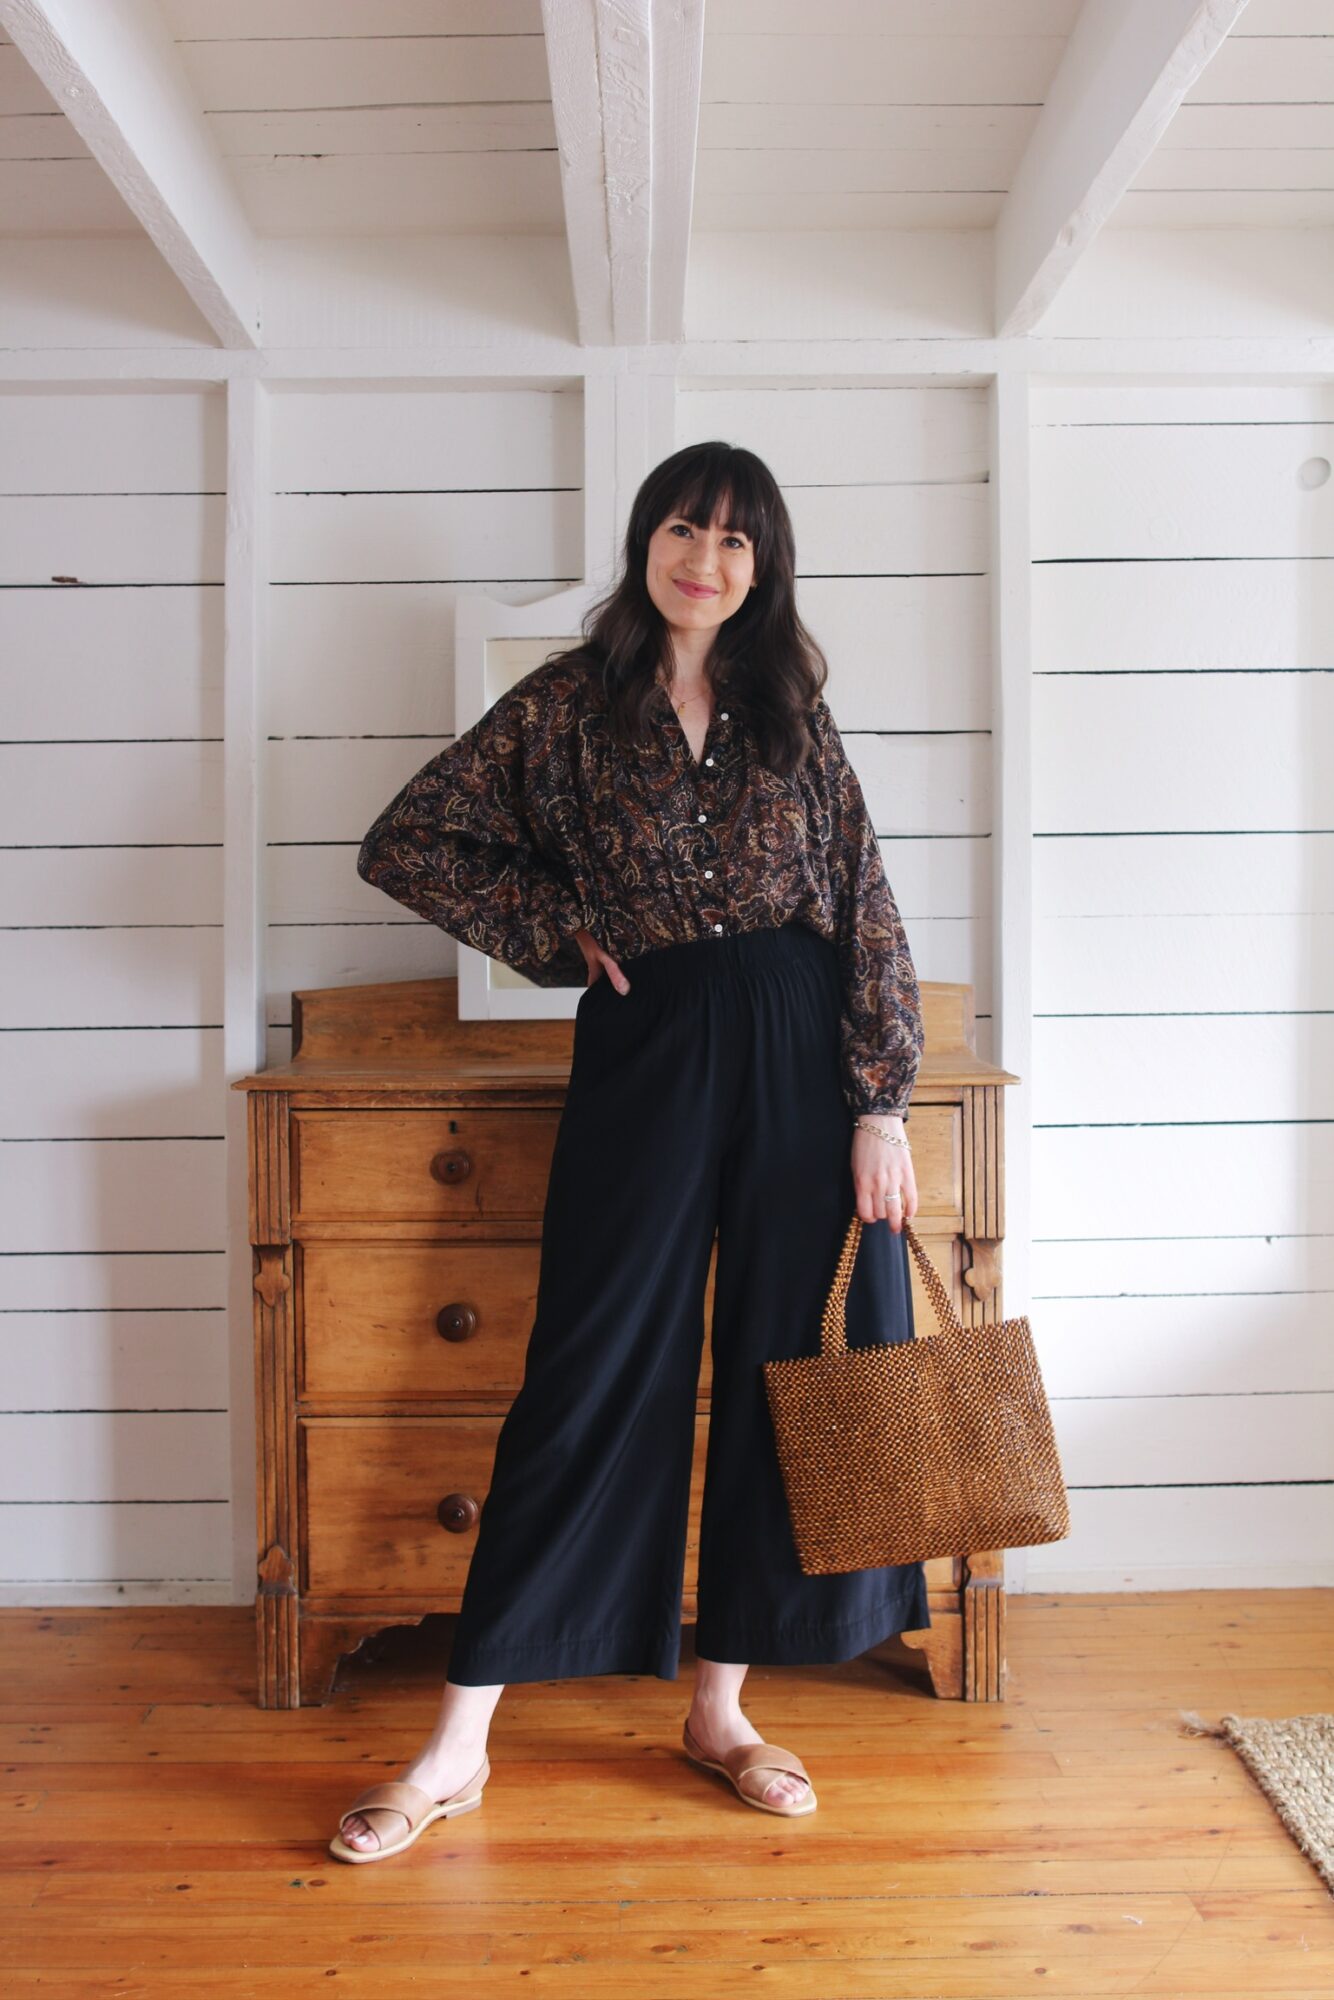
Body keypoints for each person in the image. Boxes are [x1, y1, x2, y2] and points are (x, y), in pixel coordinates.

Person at [329, 440, 926, 1863]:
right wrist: (554, 935)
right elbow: (411, 840)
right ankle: (457, 1747)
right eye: (681, 529)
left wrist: (880, 1098)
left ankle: (719, 1711)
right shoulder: (564, 706)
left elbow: (861, 893)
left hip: (796, 1040)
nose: (702, 561)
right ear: (644, 543)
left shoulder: (790, 709)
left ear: (761, 567)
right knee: (591, 1372)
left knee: (797, 1365)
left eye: (733, 541)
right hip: (648, 1042)